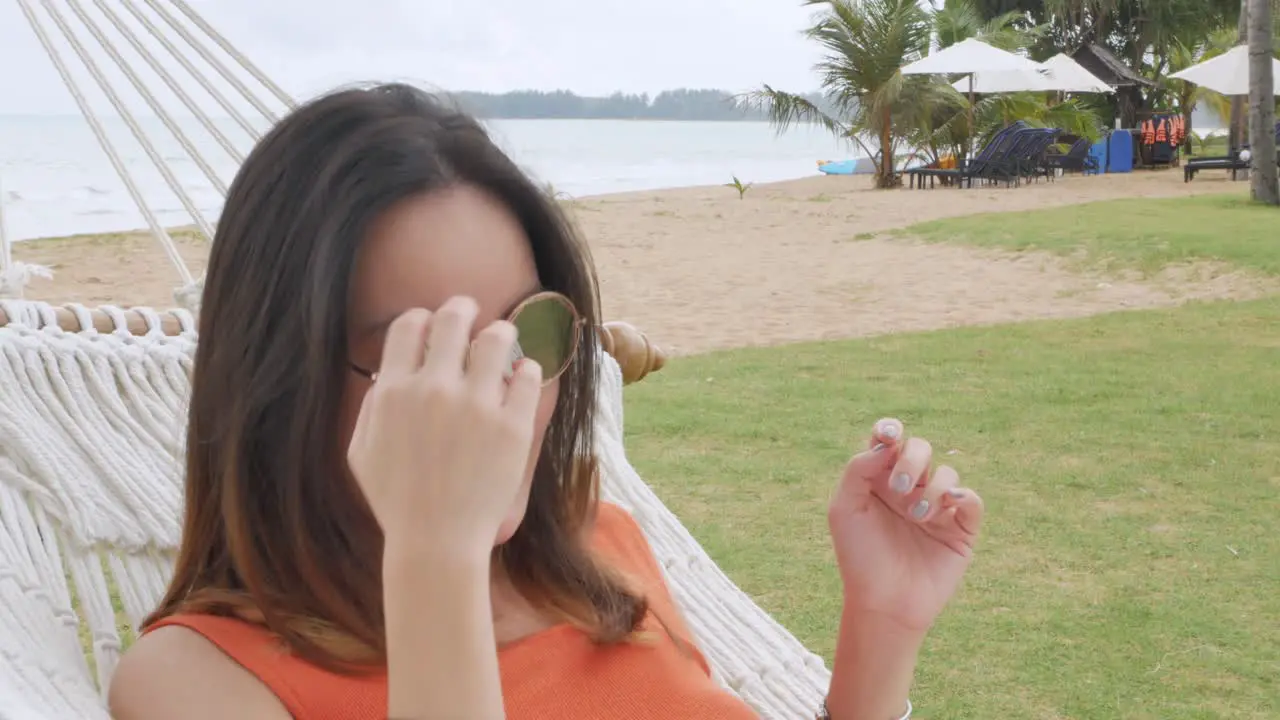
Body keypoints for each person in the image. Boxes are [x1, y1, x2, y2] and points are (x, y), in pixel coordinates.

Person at [107, 83, 985, 720]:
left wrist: (882, 625)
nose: (508, 393)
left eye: (528, 333)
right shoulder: (195, 681)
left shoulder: (596, 548)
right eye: (433, 355)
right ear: (278, 381)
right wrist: (433, 556)